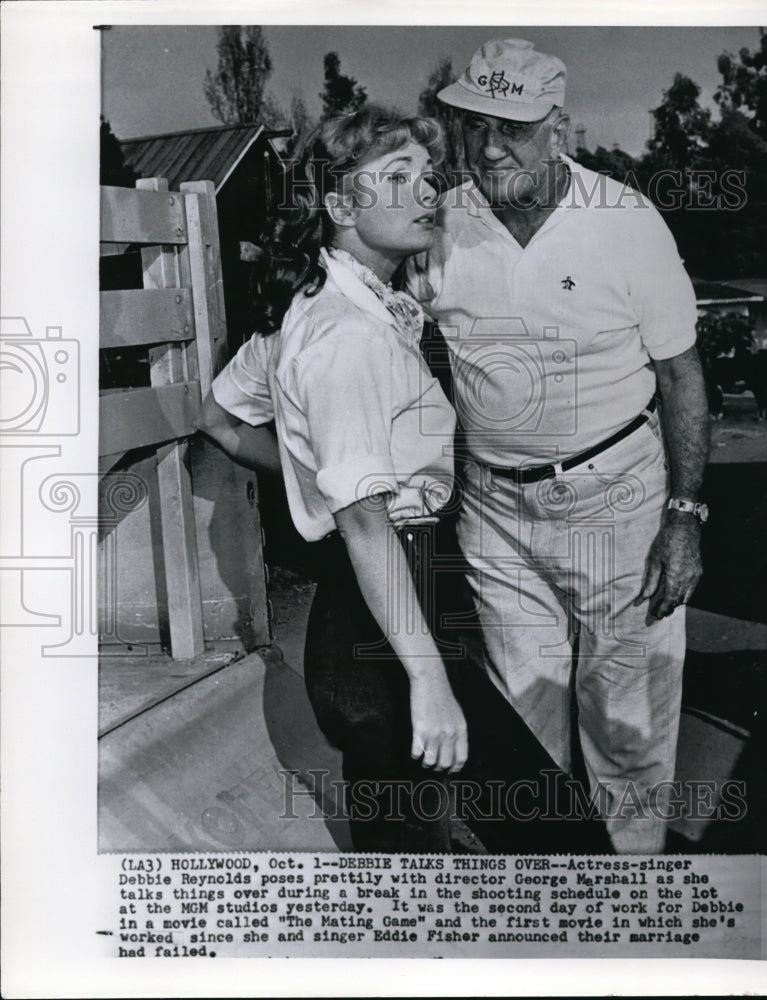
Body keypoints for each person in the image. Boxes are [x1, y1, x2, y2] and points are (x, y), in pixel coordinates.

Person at [198, 106, 610, 854]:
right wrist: (427, 681)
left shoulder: (331, 312)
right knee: (532, 842)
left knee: (440, 840)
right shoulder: (344, 337)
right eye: (395, 176)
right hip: (387, 605)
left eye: (427, 174)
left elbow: (221, 418)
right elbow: (362, 523)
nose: (427, 192)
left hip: (392, 595)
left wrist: (314, 473)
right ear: (340, 205)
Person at [405, 39, 710, 853]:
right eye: (475, 127)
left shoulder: (626, 221)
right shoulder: (437, 224)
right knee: (523, 734)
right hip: (497, 515)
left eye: (514, 128)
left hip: (622, 504)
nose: (491, 147)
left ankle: (632, 910)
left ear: (558, 126)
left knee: (628, 729)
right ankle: (549, 919)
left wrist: (685, 516)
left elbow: (681, 374)